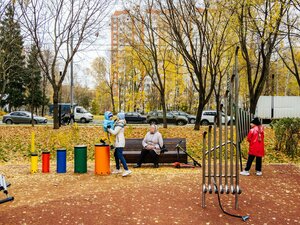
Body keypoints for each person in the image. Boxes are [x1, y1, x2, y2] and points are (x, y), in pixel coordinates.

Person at [107, 112, 132, 177]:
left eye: (117, 116)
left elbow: (114, 132)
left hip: (120, 142)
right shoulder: (119, 122)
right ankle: (118, 168)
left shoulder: (120, 124)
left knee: (120, 155)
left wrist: (108, 129)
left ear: (120, 117)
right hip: (118, 141)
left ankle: (126, 170)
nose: (116, 117)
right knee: (116, 154)